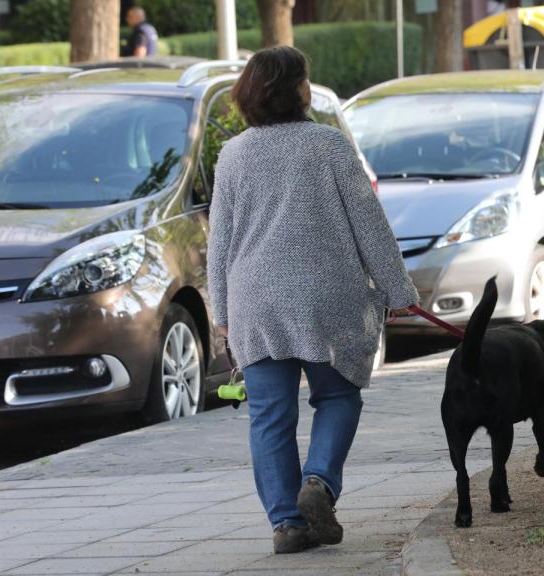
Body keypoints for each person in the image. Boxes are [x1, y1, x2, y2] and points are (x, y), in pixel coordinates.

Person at [207, 46, 418, 554]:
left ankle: (287, 525)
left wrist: (222, 313)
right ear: (296, 89)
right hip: (330, 298)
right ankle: (318, 484)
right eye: (305, 79)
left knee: (269, 416)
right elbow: (370, 225)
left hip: (255, 300)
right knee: (338, 396)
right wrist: (399, 291)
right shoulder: (330, 145)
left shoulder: (233, 154)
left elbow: (221, 241)